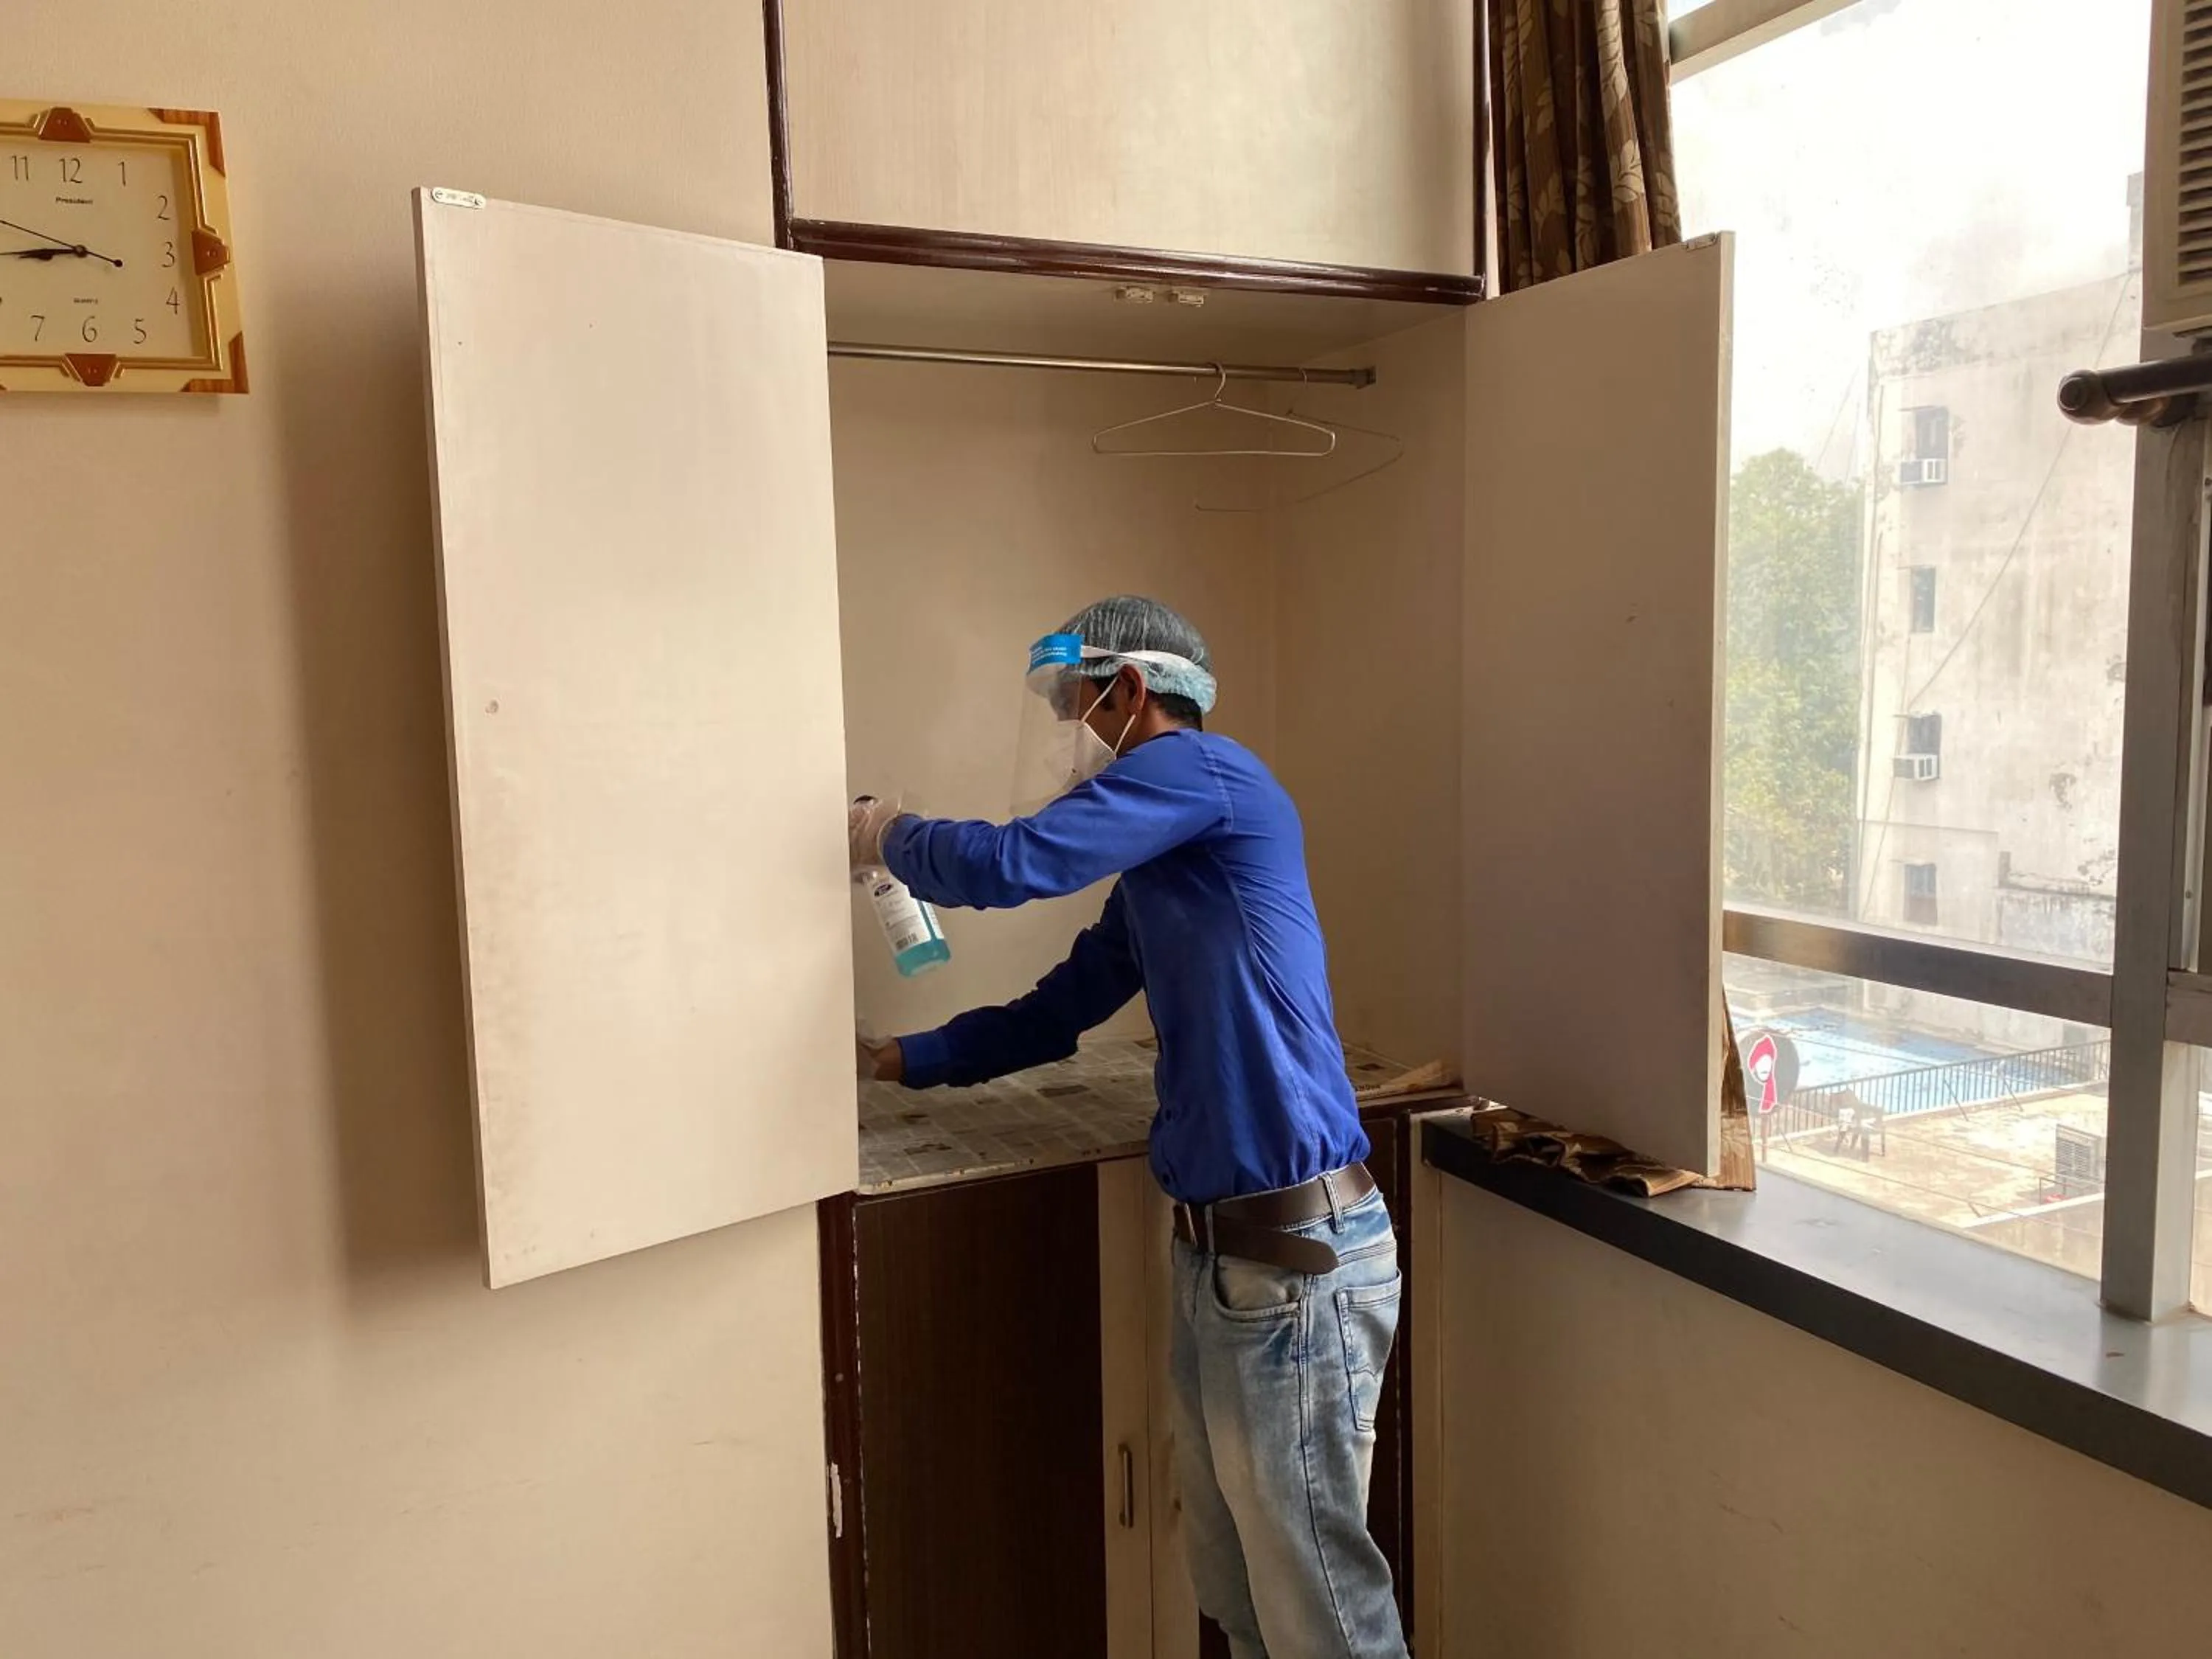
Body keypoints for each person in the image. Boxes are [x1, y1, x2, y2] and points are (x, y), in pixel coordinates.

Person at [849, 595, 1406, 1659]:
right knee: (1243, 1601)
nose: (1073, 734)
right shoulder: (1162, 874)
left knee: (1327, 1620)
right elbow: (1056, 1011)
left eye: (1077, 708)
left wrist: (889, 835)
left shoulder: (1206, 774)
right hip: (1222, 1264)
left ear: (1133, 692)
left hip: (1297, 1265)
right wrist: (902, 1059)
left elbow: (1012, 863)